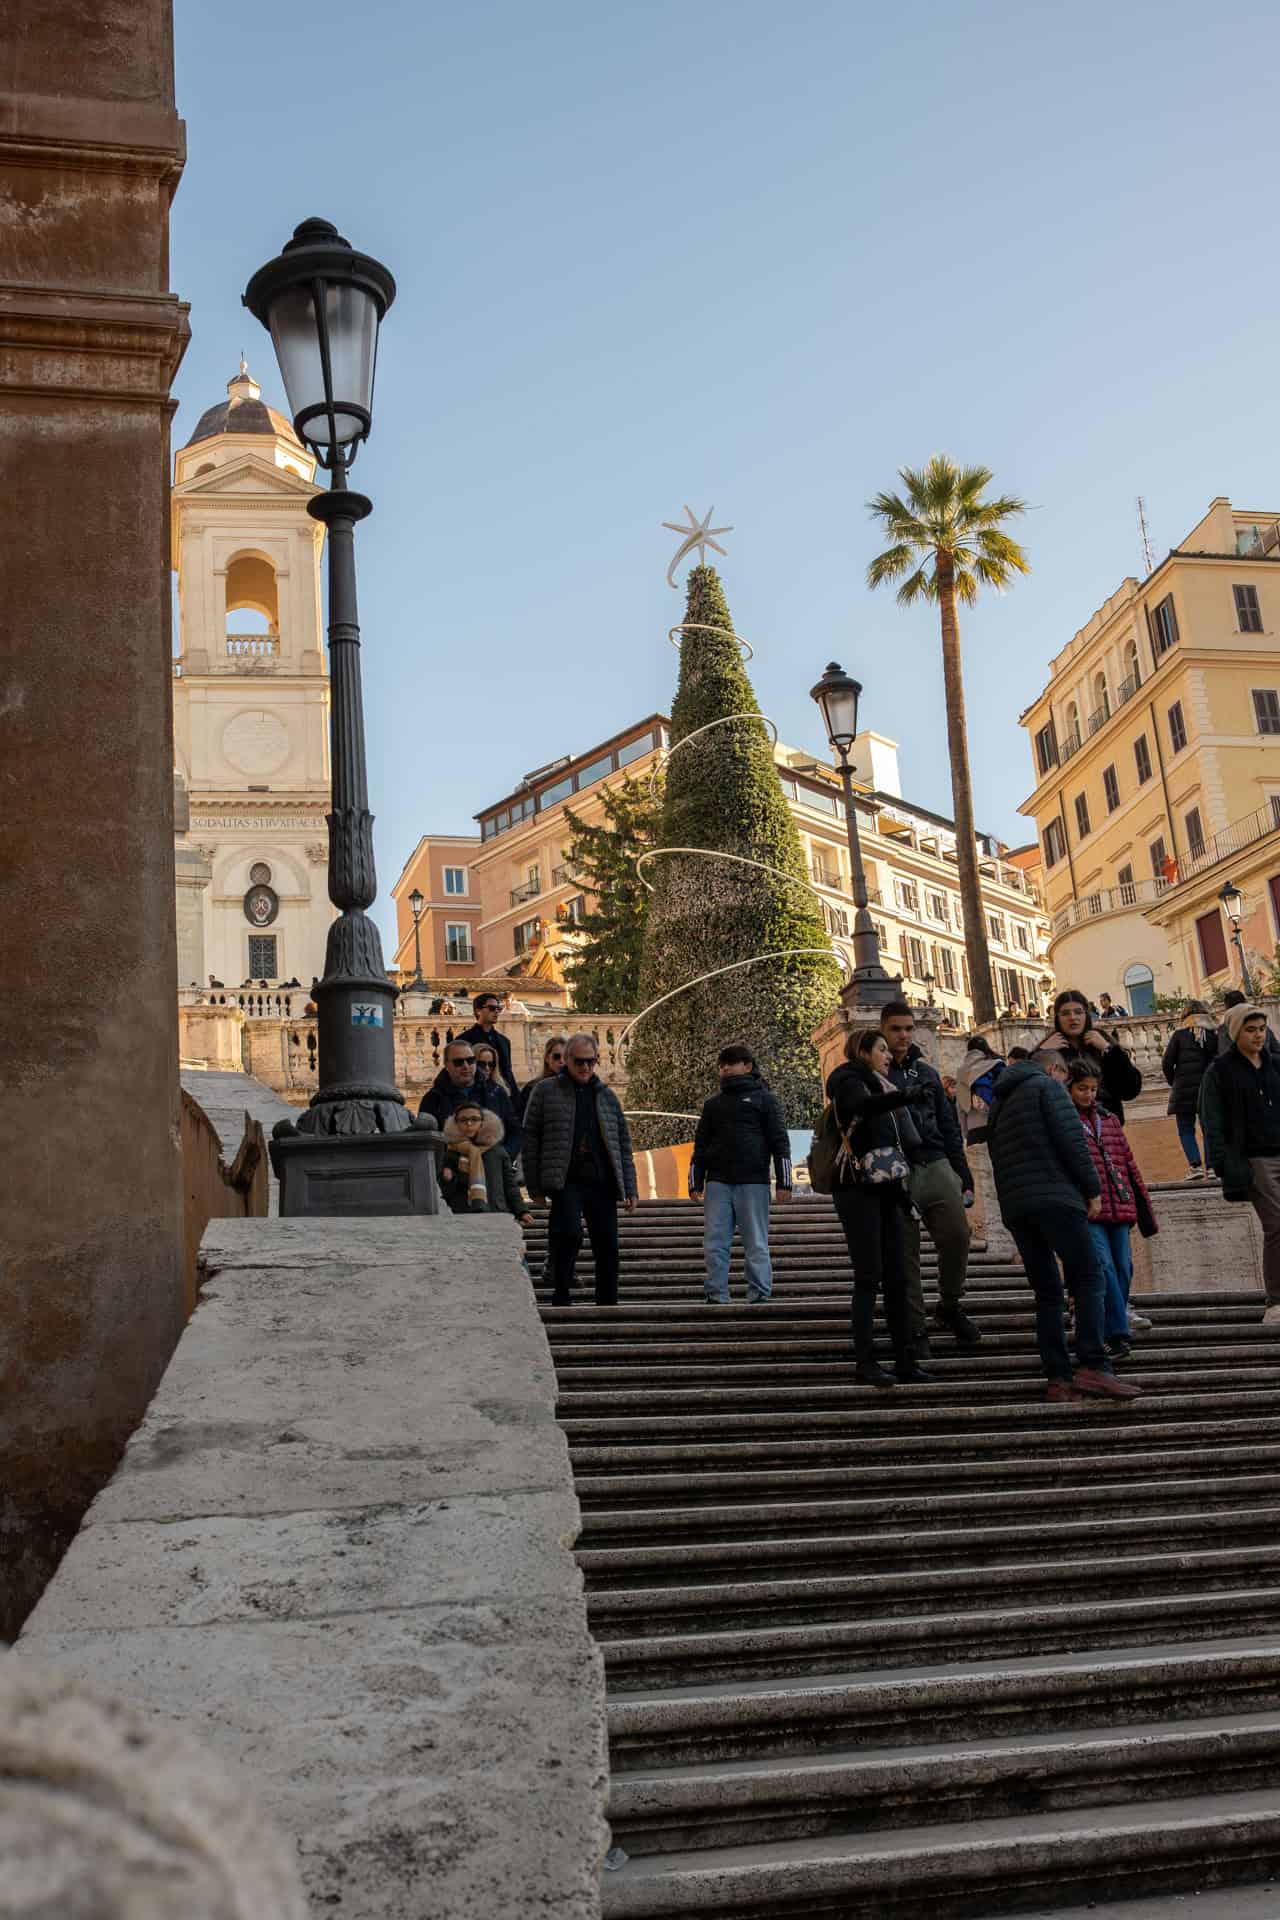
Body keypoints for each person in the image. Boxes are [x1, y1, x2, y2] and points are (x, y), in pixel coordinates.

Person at [985, 1056, 1141, 1402]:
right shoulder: (1048, 1087)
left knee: (1047, 1293)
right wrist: (1092, 1190)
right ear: (1053, 1069)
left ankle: (1057, 1376)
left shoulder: (999, 1103)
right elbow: (1073, 1142)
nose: (1066, 1081)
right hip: (1057, 1198)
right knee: (1089, 1276)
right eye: (1065, 1075)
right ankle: (1094, 1364)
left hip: (1017, 1207)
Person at [826, 1027, 933, 1387]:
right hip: (857, 1190)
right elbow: (860, 1106)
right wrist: (904, 1095)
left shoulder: (882, 1087)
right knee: (869, 1276)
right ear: (863, 1052)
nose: (889, 1056)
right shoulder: (848, 1081)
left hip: (887, 1189)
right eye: (882, 1049)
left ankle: (905, 1360)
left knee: (898, 1277)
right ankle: (866, 1361)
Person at [879, 1001, 980, 1350]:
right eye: (896, 1029)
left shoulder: (927, 1073)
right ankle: (915, 1326)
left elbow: (949, 1126)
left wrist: (963, 1174)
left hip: (936, 1162)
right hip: (896, 1168)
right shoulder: (872, 1074)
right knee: (905, 1254)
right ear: (882, 1031)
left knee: (958, 1236)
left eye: (908, 1028)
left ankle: (949, 1305)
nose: (904, 1035)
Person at [523, 1033, 638, 1306]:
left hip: (601, 1180)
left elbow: (623, 1144)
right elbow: (530, 1139)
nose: (585, 1067)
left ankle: (607, 1302)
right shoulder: (545, 1091)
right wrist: (534, 1186)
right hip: (565, 1179)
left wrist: (631, 1187)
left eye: (590, 1061)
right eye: (579, 1061)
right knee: (568, 1234)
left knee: (607, 1243)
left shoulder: (607, 1096)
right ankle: (561, 1295)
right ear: (567, 1060)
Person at [1066, 1059, 1157, 1355]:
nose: (1088, 1094)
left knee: (1123, 1268)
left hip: (1119, 1205)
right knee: (1103, 1266)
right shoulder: (1064, 1121)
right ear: (1069, 1088)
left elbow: (1130, 1165)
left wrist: (1143, 1207)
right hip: (1089, 1209)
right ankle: (1117, 1334)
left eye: (1093, 1089)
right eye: (1082, 1088)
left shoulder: (1110, 1120)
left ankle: (1111, 1322)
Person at [690, 1044, 793, 1304]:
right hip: (718, 1181)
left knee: (756, 1241)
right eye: (722, 1065)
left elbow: (780, 1142)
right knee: (715, 1242)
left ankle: (759, 1291)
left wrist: (785, 1182)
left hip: (753, 1181)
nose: (725, 1068)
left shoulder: (766, 1100)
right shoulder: (713, 1105)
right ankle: (716, 1292)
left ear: (747, 1066)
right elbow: (700, 1145)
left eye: (731, 1063)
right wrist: (695, 1180)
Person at [1201, 1004, 1280, 1326]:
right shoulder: (1219, 1071)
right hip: (1254, 1160)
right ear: (1236, 1033)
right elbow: (1211, 1120)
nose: (1258, 1035)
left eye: (1261, 1028)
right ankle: (1276, 1301)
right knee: (1277, 1225)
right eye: (1250, 1030)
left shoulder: (1276, 1064)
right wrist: (1223, 1163)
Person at [1035, 989, 1143, 1124]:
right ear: (1057, 1018)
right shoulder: (1049, 1047)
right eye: (1065, 1013)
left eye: (1078, 1012)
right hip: (1067, 1128)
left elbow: (1130, 1089)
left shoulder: (1102, 1041)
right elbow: (1029, 1092)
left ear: (1086, 1014)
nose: (1072, 1017)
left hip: (1107, 1128)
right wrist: (1041, 1053)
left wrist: (1109, 1050)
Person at [418, 1038, 520, 1156]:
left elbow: (515, 1130)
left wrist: (505, 1156)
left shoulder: (495, 1092)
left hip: (493, 1163)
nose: (466, 1066)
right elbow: (425, 1140)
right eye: (458, 1062)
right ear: (446, 1065)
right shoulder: (433, 1098)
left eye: (470, 1060)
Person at [439, 1103, 532, 1223]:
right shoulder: (451, 1153)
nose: (469, 1123)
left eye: (474, 1119)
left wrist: (522, 1210)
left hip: (495, 1211)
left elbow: (510, 1184)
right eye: (463, 1120)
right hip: (463, 1214)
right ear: (456, 1124)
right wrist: (448, 1179)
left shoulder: (497, 1151)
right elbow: (444, 1192)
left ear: (482, 1122)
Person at [1162, 1000, 1218, 1178]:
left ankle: (1195, 1167)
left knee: (1186, 1129)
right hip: (1207, 1089)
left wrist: (1175, 1082)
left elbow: (1167, 1063)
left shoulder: (1179, 1035)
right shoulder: (1212, 1034)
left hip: (1183, 1090)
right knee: (1209, 1128)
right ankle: (1211, 1167)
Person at [457, 991, 521, 1096]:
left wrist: (516, 1099)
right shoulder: (464, 1040)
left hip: (501, 1096)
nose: (496, 1011)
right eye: (491, 1008)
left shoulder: (504, 1041)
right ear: (478, 1011)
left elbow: (508, 1073)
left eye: (498, 1009)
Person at [955, 1033, 1006, 1145]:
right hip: (997, 1124)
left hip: (974, 1130)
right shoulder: (995, 1065)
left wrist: (966, 1133)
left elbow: (960, 1108)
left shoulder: (960, 1073)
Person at [516, 1034, 568, 1123]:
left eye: (565, 1057)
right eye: (557, 1056)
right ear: (547, 1058)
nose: (562, 1061)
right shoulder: (531, 1088)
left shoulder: (575, 1087)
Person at [1218, 989, 1280, 1059]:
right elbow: (1276, 1050)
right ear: (1245, 1002)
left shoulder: (1224, 1029)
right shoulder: (1259, 1022)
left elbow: (1224, 1055)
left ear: (1227, 1008)